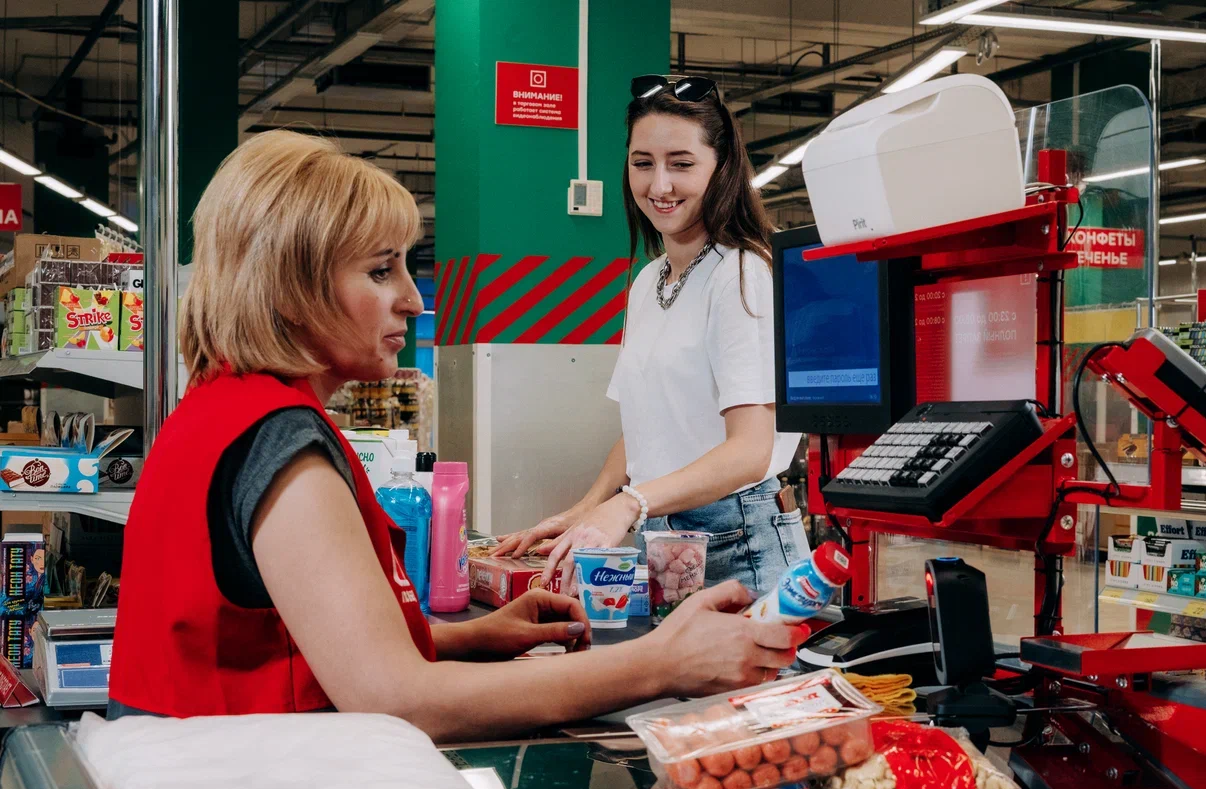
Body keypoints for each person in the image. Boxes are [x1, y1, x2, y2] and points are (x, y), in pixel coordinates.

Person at [106, 130, 807, 741]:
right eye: (381, 271)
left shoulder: (224, 409)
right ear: (291, 290)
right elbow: (396, 700)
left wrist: (467, 638)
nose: (413, 299)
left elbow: (290, 637)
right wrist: (657, 665)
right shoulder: (282, 448)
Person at [496, 75, 807, 595]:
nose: (659, 185)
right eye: (643, 163)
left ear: (722, 168)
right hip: (666, 535)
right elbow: (646, 428)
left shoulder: (743, 275)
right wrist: (585, 509)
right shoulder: (648, 281)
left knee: (748, 681)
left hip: (740, 541)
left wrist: (628, 504)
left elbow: (750, 450)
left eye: (681, 164)